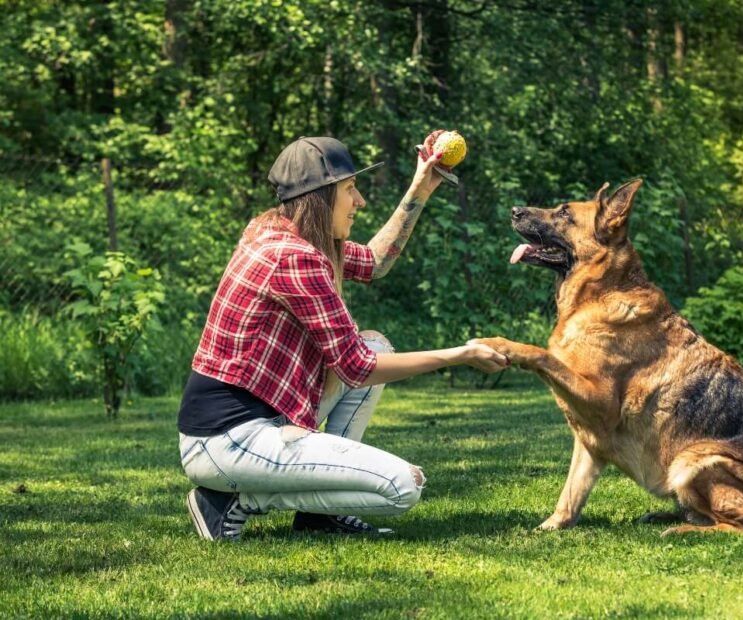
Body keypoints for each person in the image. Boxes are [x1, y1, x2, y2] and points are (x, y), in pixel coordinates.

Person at [177, 133, 508, 541]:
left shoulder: (282, 233)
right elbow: (356, 368)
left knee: (375, 344)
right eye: (350, 190)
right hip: (227, 439)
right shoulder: (294, 257)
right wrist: (458, 354)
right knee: (403, 487)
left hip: (253, 422)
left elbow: (374, 262)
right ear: (320, 196)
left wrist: (423, 183)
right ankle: (231, 502)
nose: (360, 201)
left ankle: (319, 516)